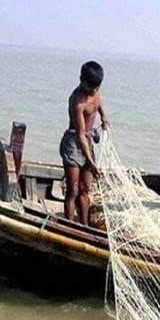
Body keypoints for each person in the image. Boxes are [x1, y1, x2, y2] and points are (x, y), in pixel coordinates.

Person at [59, 61, 110, 226]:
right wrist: (91, 162)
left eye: (97, 88)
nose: (95, 91)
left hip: (88, 141)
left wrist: (103, 115)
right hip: (74, 144)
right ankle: (68, 226)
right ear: (82, 81)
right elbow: (80, 134)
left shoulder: (95, 90)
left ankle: (84, 225)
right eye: (91, 88)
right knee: (72, 190)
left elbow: (98, 102)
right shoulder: (78, 101)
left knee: (85, 189)